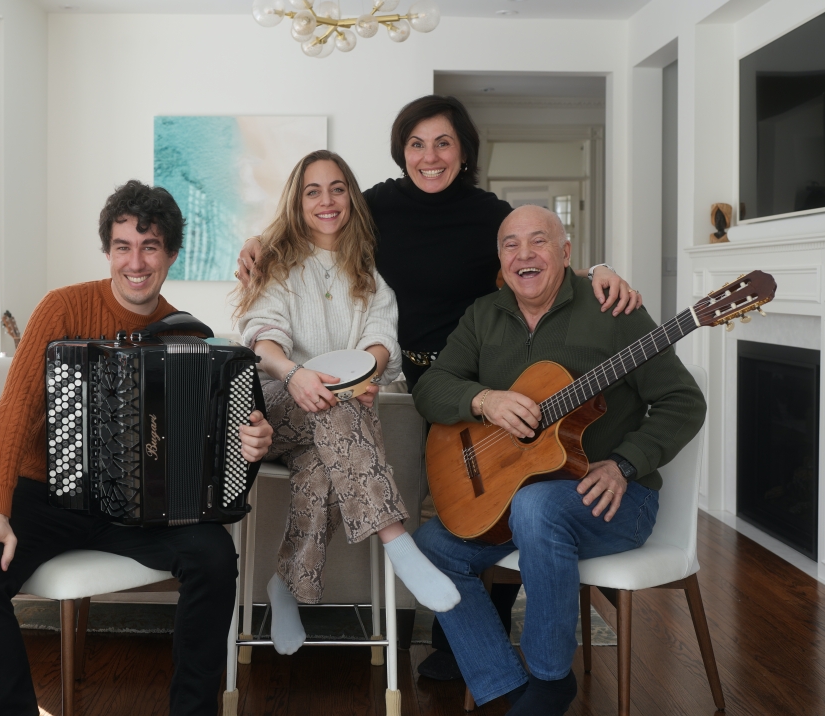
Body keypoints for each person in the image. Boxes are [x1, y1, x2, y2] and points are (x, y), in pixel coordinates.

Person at [237, 94, 643, 679]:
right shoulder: (372, 206)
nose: (430, 157)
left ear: (463, 151)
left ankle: (455, 648)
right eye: (416, 144)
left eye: (443, 143)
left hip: (466, 379)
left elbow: (533, 254)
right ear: (402, 152)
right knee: (410, 494)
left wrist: (596, 268)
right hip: (380, 390)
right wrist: (258, 243)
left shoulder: (482, 217)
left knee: (489, 502)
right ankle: (398, 566)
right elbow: (308, 230)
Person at [0, 181, 275, 716]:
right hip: (47, 496)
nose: (135, 262)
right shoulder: (62, 309)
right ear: (108, 252)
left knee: (213, 555)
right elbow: (13, 416)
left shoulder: (191, 337)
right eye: (123, 246)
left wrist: (250, 443)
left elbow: (213, 452)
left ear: (170, 254)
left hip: (139, 516)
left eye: (150, 247)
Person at [412, 205, 706, 716]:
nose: (524, 254)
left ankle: (550, 681)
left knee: (537, 507)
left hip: (614, 498)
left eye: (539, 241)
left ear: (566, 253)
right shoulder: (483, 315)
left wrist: (625, 462)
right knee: (432, 547)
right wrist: (486, 401)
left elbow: (684, 401)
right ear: (500, 259)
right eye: (510, 244)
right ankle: (503, 683)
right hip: (513, 497)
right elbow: (433, 387)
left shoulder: (614, 309)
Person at [234, 149, 459, 656]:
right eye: (313, 190)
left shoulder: (368, 272)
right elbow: (262, 338)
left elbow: (382, 340)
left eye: (337, 188)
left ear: (351, 198)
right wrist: (295, 375)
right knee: (339, 405)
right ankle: (398, 541)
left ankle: (285, 588)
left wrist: (368, 373)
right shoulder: (275, 264)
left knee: (323, 458)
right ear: (297, 201)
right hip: (273, 413)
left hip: (334, 423)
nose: (327, 200)